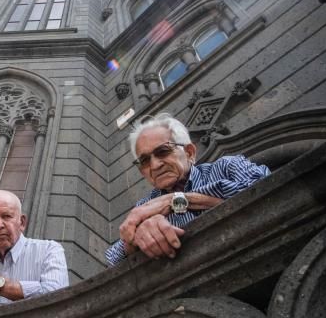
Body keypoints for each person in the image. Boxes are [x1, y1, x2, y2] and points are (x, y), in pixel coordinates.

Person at [106, 113, 270, 266]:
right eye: (145, 161)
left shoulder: (227, 167)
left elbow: (266, 188)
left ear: (189, 152)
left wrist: (175, 201)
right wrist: (134, 238)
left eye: (163, 151)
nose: (155, 165)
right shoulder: (145, 206)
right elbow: (113, 260)